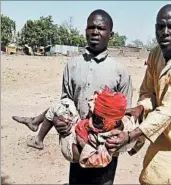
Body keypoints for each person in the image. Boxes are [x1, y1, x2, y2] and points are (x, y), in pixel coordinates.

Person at [13, 9, 134, 184]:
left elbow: (124, 114)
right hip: (76, 141)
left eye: (101, 28)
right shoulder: (72, 65)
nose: (95, 32)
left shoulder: (120, 72)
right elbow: (66, 102)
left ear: (111, 34)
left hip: (104, 147)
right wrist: (60, 121)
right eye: (90, 27)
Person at [104, 4, 171, 184]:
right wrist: (140, 108)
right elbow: (148, 91)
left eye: (170, 26)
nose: (165, 32)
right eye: (160, 26)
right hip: (165, 135)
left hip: (165, 123)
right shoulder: (155, 54)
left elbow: (168, 110)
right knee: (151, 178)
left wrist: (132, 135)